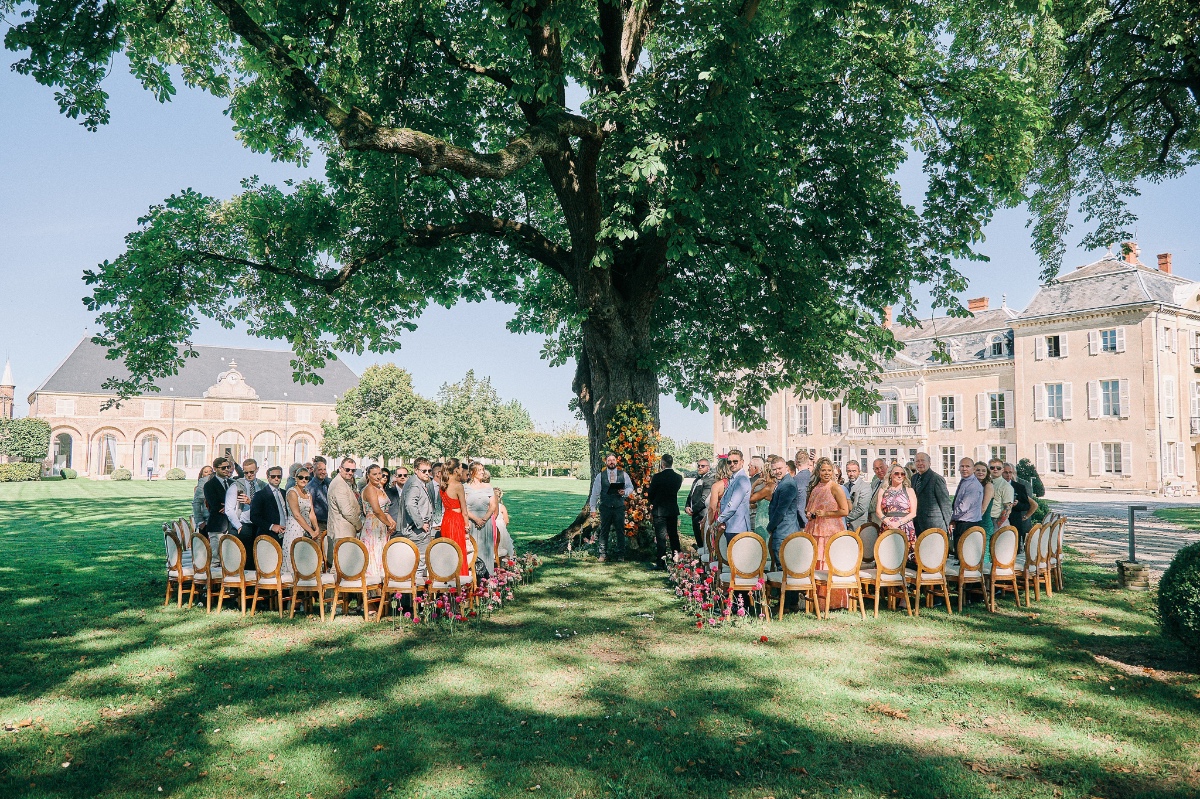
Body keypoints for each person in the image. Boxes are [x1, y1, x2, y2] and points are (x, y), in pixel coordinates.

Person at [806, 457, 850, 610]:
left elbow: (845, 511)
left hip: (830, 530)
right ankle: (815, 601)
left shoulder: (835, 487)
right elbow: (810, 508)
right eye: (823, 470)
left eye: (829, 470)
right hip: (815, 528)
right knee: (816, 562)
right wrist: (810, 514)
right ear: (818, 472)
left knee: (828, 563)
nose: (826, 473)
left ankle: (831, 601)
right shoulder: (816, 487)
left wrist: (826, 513)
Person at [588, 452, 635, 562]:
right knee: (604, 530)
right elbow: (595, 493)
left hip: (619, 507)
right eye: (609, 460)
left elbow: (630, 487)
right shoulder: (600, 476)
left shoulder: (623, 474)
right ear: (606, 462)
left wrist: (625, 492)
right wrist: (593, 508)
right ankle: (602, 554)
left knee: (620, 531)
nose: (611, 462)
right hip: (606, 507)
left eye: (613, 460)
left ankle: (620, 555)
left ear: (616, 461)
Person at [400, 459, 436, 578]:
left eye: (429, 471)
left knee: (416, 563)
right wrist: (421, 523)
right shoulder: (415, 484)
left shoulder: (415, 482)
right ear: (416, 470)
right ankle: (417, 594)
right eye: (424, 471)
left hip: (416, 529)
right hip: (417, 531)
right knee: (420, 564)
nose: (427, 473)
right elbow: (410, 504)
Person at [226, 459, 264, 568]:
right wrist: (238, 526)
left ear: (257, 470)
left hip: (258, 526)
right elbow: (229, 509)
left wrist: (251, 502)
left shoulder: (261, 486)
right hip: (243, 525)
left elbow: (265, 507)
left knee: (256, 559)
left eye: (252, 472)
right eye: (246, 472)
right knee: (242, 559)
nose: (249, 475)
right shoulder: (236, 486)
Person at [648, 454, 683, 569]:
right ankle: (676, 559)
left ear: (662, 464)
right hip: (672, 509)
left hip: (660, 510)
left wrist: (654, 501)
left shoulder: (657, 477)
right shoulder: (678, 477)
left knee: (661, 537)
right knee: (673, 535)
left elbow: (651, 493)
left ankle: (661, 562)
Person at [281, 466, 319, 574]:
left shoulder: (307, 493)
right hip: (295, 529)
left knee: (305, 560)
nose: (303, 480)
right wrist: (311, 531)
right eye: (301, 477)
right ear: (295, 478)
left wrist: (316, 529)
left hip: (306, 529)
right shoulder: (292, 492)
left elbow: (311, 513)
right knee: (294, 559)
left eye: (306, 478)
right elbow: (297, 515)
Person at [360, 464, 393, 584]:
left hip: (381, 525)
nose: (378, 476)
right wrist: (389, 523)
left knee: (381, 555)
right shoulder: (369, 489)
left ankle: (382, 594)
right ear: (368, 476)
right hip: (373, 526)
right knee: (374, 554)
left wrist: (390, 520)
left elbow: (384, 509)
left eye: (380, 473)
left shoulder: (379, 487)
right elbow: (377, 510)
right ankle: (373, 594)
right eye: (375, 474)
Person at [438, 457, 471, 576]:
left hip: (446, 519)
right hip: (456, 520)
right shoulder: (458, 485)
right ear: (456, 469)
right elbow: (464, 510)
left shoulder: (443, 484)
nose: (462, 470)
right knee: (459, 550)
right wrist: (466, 525)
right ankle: (460, 578)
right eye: (461, 468)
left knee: (447, 550)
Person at [465, 462, 499, 574]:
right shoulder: (465, 487)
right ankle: (474, 578)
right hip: (471, 522)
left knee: (486, 549)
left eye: (482, 469)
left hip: (486, 521)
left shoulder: (488, 487)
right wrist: (476, 519)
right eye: (479, 470)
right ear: (472, 472)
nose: (482, 472)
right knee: (473, 550)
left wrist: (484, 519)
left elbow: (493, 505)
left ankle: (488, 577)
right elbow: (463, 507)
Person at [765, 455, 799, 566]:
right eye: (774, 469)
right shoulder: (783, 482)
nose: (777, 471)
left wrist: (770, 527)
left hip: (784, 531)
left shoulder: (788, 484)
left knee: (783, 568)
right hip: (784, 530)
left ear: (786, 468)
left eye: (779, 468)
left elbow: (781, 511)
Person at [327, 457, 365, 557]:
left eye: (353, 470)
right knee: (340, 566)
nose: (350, 472)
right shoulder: (339, 484)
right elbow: (347, 511)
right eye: (347, 469)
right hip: (342, 532)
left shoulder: (343, 483)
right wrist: (359, 525)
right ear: (340, 468)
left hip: (345, 531)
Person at [249, 466, 288, 560]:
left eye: (279, 476)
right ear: (268, 477)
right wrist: (272, 526)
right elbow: (254, 517)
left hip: (286, 533)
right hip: (268, 534)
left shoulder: (284, 493)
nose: (276, 478)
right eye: (273, 476)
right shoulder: (260, 495)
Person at [876, 463, 918, 548]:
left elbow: (913, 513)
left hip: (905, 527)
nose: (900, 476)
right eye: (896, 473)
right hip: (887, 527)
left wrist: (898, 523)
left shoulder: (910, 491)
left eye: (902, 474)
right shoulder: (883, 491)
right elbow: (878, 511)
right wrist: (888, 523)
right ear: (890, 475)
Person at [911, 452, 952, 536]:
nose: (920, 463)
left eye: (923, 460)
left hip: (934, 524)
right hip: (917, 523)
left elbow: (945, 503)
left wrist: (948, 524)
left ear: (929, 462)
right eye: (917, 461)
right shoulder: (914, 478)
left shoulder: (936, 479)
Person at [949, 457, 985, 549]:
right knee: (960, 555)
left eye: (967, 466)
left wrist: (950, 518)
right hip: (961, 523)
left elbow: (963, 507)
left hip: (968, 524)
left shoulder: (973, 485)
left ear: (973, 469)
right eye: (962, 466)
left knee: (965, 555)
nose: (964, 469)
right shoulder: (965, 481)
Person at [716, 449, 751, 541]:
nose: (732, 464)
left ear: (742, 462)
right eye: (729, 462)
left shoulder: (742, 479)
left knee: (736, 555)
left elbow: (732, 505)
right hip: (731, 526)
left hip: (738, 527)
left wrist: (719, 520)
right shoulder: (734, 478)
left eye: (735, 461)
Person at [202, 457, 235, 553]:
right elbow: (215, 504)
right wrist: (230, 506)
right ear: (215, 469)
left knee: (229, 556)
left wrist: (229, 507)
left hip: (232, 525)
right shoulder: (209, 485)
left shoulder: (232, 483)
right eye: (223, 468)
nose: (227, 470)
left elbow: (237, 500)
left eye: (228, 467)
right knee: (216, 558)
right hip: (217, 524)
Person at [683, 458, 714, 549]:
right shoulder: (697, 479)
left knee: (704, 542)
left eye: (702, 466)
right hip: (695, 515)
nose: (700, 467)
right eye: (698, 465)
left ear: (708, 468)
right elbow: (690, 495)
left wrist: (693, 510)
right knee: (698, 540)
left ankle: (703, 561)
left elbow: (704, 499)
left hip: (702, 514)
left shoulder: (709, 480)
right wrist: (687, 506)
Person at [1004, 462, 1035, 548]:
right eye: (1005, 472)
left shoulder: (1019, 487)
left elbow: (1027, 505)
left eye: (1010, 472)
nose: (1008, 475)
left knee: (1015, 550)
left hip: (1015, 522)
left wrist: (1018, 504)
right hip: (999, 521)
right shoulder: (994, 485)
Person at [705, 458, 733, 543]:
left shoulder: (717, 486)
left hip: (719, 518)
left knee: (717, 547)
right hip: (733, 519)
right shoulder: (736, 483)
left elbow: (712, 508)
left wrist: (710, 523)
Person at [975, 461, 997, 570]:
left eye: (983, 470)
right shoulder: (973, 484)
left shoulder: (988, 486)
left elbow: (983, 508)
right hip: (974, 523)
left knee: (984, 552)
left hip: (983, 523)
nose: (980, 472)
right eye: (978, 470)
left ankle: (986, 581)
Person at [749, 457, 776, 544]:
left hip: (763, 521)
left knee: (763, 547)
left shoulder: (767, 488)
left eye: (761, 473)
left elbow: (750, 499)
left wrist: (754, 485)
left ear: (765, 474)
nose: (760, 476)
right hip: (768, 519)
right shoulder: (775, 485)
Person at [842, 460, 872, 532]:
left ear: (859, 471)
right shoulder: (844, 486)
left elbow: (861, 508)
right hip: (844, 526)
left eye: (854, 471)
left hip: (858, 526)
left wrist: (845, 519)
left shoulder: (865, 487)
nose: (851, 474)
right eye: (849, 471)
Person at [988, 458, 1014, 530]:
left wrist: (998, 525)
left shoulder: (1006, 486)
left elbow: (1008, 508)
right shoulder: (986, 483)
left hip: (998, 521)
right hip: (986, 519)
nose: (995, 469)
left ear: (1002, 470)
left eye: (998, 468)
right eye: (992, 467)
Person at [793, 450, 812, 528]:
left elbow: (799, 505)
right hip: (813, 518)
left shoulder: (794, 480)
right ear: (808, 462)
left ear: (796, 463)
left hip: (800, 520)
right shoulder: (815, 478)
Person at [867, 458, 887, 527]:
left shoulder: (890, 483)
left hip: (883, 521)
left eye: (881, 467)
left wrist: (866, 508)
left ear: (886, 467)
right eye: (876, 469)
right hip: (873, 521)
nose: (879, 471)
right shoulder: (874, 483)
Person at [192, 465, 213, 530]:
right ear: (202, 475)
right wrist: (200, 522)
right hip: (206, 520)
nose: (209, 473)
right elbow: (196, 503)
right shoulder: (200, 486)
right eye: (206, 472)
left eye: (211, 471)